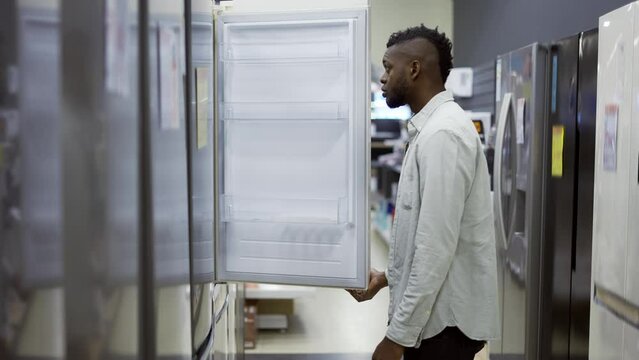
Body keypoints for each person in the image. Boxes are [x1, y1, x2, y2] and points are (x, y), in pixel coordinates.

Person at [348, 25, 499, 360]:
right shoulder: (431, 129)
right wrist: (387, 278)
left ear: (414, 69)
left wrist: (395, 338)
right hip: (435, 322)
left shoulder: (443, 135)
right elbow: (426, 233)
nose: (383, 78)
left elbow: (435, 249)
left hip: (443, 328)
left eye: (388, 68)